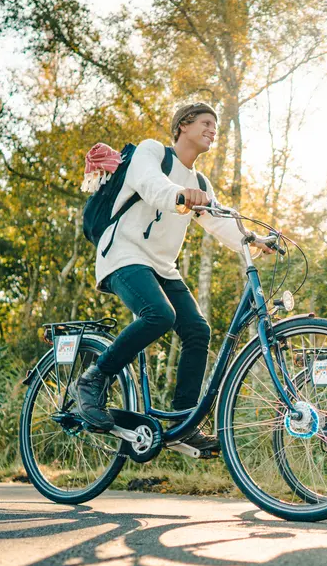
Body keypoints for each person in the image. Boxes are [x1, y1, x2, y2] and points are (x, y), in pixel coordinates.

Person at [70, 102, 273, 451]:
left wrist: (254, 240)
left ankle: (183, 422)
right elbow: (152, 186)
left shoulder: (200, 181)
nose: (213, 129)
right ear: (182, 125)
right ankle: (92, 380)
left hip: (162, 266)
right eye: (206, 122)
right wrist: (181, 195)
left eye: (216, 126)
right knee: (159, 315)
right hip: (123, 254)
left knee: (197, 329)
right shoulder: (153, 152)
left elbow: (220, 221)